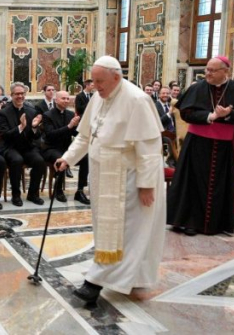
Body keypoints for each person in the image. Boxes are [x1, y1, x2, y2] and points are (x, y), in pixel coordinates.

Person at [55, 55, 165, 304]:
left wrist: (147, 185)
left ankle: (94, 282)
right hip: (103, 176)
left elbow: (149, 148)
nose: (95, 86)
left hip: (129, 179)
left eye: (100, 81)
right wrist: (68, 158)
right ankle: (130, 279)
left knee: (125, 233)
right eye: (93, 81)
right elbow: (85, 136)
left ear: (117, 77)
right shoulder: (98, 97)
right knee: (109, 231)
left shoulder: (137, 100)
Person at [167, 56, 234, 236]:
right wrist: (210, 116)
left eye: (213, 70)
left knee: (223, 183)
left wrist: (228, 115)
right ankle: (190, 222)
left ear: (225, 71)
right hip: (198, 143)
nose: (208, 73)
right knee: (194, 182)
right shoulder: (197, 88)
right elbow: (186, 113)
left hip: (226, 147)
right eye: (207, 69)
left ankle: (221, 223)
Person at [0, 82, 45, 206]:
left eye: (22, 94)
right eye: (17, 94)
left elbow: (37, 135)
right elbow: (4, 135)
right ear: (11, 95)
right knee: (16, 160)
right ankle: (16, 195)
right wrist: (20, 127)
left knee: (39, 161)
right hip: (10, 147)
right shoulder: (3, 112)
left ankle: (33, 194)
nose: (20, 96)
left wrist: (34, 127)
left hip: (27, 146)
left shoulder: (31, 111)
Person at [42, 91, 90, 204]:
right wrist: (69, 126)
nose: (66, 101)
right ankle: (58, 190)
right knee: (61, 158)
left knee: (85, 157)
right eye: (63, 98)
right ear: (56, 100)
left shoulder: (70, 114)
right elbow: (50, 135)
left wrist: (79, 128)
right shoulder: (47, 115)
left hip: (66, 147)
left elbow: (74, 134)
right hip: (51, 148)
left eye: (68, 99)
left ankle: (80, 190)